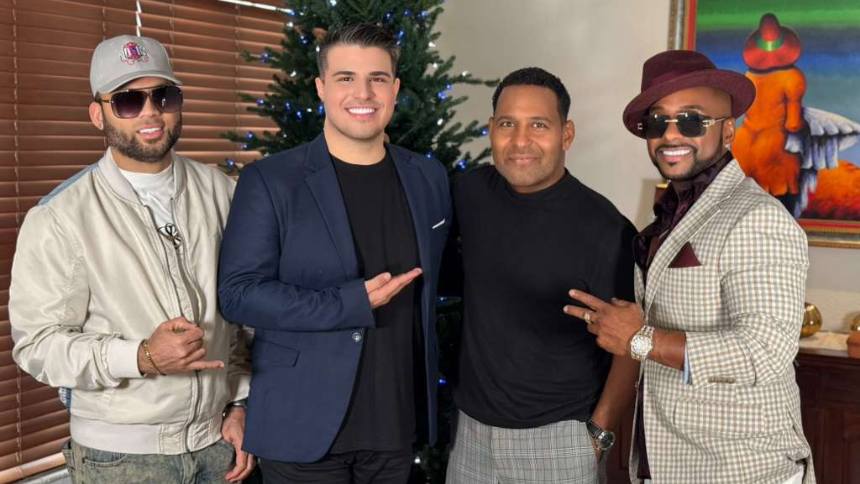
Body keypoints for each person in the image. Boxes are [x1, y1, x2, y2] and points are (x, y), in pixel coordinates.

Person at [10, 35, 253, 483]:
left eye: (164, 96)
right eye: (127, 100)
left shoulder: (223, 193)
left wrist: (239, 405)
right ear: (97, 114)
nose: (150, 112)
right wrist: (142, 356)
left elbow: (243, 316)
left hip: (217, 448)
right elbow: (37, 345)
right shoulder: (60, 217)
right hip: (119, 461)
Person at [566, 50, 814, 484]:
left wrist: (642, 339)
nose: (670, 134)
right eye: (657, 122)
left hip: (742, 471)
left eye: (692, 120)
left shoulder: (757, 217)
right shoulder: (666, 220)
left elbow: (764, 352)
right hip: (668, 465)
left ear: (729, 130)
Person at [217, 23, 451, 483]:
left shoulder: (429, 177)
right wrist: (349, 303)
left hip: (395, 427)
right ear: (322, 87)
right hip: (300, 429)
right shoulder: (271, 180)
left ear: (395, 88)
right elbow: (238, 294)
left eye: (377, 78)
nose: (363, 93)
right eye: (346, 78)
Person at [444, 67, 639, 484]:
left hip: (558, 441)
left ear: (566, 135)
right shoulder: (469, 193)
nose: (520, 141)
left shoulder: (605, 229)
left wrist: (599, 435)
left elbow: (630, 346)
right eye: (507, 124)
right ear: (491, 129)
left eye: (538, 125)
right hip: (470, 437)